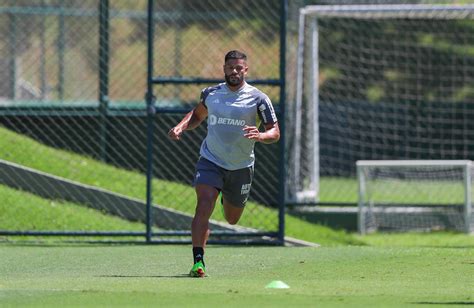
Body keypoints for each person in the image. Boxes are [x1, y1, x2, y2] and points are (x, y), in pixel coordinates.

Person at [168, 50, 280, 278]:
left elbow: (275, 132)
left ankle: (226, 198)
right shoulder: (211, 93)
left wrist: (260, 136)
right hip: (211, 160)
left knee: (232, 218)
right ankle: (198, 262)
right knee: (204, 203)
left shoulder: (259, 99)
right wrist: (181, 126)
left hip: (240, 166)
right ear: (224, 69)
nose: (235, 72)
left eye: (239, 68)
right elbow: (197, 116)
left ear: (245, 70)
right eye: (231, 68)